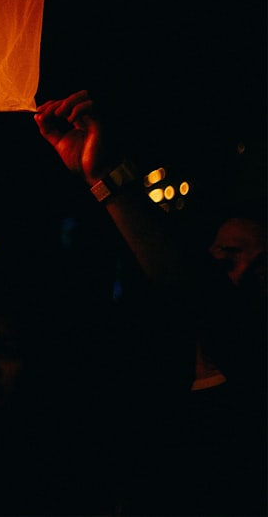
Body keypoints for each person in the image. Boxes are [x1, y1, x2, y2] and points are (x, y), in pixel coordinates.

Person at [34, 89, 267, 516]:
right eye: (226, 257)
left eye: (264, 269)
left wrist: (108, 179)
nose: (245, 275)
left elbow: (202, 297)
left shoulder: (253, 395)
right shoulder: (145, 375)